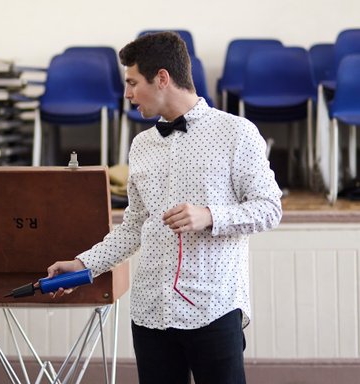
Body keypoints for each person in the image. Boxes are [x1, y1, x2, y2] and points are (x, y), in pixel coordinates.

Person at [46, 32, 282, 384]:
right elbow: (133, 228)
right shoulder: (140, 145)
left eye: (132, 82)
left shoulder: (237, 133)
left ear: (162, 78)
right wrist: (84, 264)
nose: (126, 94)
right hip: (150, 311)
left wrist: (209, 215)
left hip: (213, 307)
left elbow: (269, 208)